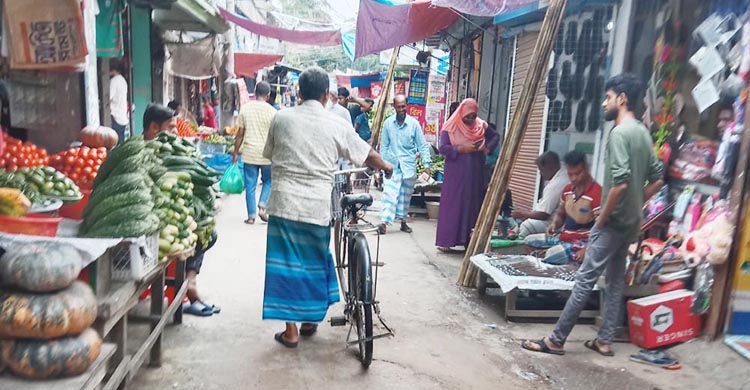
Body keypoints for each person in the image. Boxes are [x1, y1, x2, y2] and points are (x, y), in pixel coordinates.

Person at [521, 73, 664, 357]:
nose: (603, 104)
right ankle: (605, 340)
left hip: (612, 222)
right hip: (630, 222)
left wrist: (602, 218)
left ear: (622, 99)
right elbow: (658, 179)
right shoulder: (643, 133)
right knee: (614, 282)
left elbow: (620, 183)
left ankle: (556, 340)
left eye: (608, 98)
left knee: (585, 280)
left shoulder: (620, 133)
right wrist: (637, 203)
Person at [261, 67, 393, 348]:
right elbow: (366, 153)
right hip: (316, 207)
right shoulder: (337, 124)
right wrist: (387, 166)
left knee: (285, 265)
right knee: (313, 263)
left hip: (284, 204)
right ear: (326, 95)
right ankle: (309, 320)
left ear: (298, 93)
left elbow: (269, 154)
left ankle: (291, 330)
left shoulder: (281, 118)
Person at [143, 104, 220, 316]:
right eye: (171, 128)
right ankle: (188, 285)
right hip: (150, 221)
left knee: (207, 233)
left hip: (168, 215)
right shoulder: (142, 154)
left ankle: (189, 281)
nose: (177, 133)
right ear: (154, 128)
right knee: (197, 235)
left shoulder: (170, 150)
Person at [435, 98, 499, 251]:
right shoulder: (451, 127)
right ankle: (447, 241)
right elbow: (443, 148)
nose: (470, 119)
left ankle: (468, 242)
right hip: (455, 173)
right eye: (467, 116)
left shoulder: (480, 125)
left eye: (473, 116)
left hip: (475, 172)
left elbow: (495, 136)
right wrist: (460, 149)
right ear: (461, 113)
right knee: (453, 205)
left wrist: (487, 148)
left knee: (472, 205)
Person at [524, 150, 602, 265]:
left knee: (551, 254)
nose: (574, 178)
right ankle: (545, 264)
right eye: (571, 174)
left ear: (586, 169)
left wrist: (587, 249)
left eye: (578, 173)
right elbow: (561, 214)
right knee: (529, 241)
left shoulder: (597, 192)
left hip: (582, 243)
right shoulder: (567, 190)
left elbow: (601, 228)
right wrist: (554, 224)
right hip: (563, 238)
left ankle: (549, 264)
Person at [378, 95, 432, 235]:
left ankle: (403, 222)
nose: (401, 109)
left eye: (404, 106)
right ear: (394, 107)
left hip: (408, 167)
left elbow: (422, 145)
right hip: (392, 167)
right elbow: (383, 146)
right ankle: (384, 223)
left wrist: (426, 165)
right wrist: (382, 165)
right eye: (399, 106)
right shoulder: (388, 124)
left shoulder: (414, 124)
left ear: (406, 106)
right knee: (389, 194)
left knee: (405, 198)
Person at [233, 81, 277, 224]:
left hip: (250, 153)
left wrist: (235, 152)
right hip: (267, 155)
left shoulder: (246, 109)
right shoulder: (273, 112)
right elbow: (276, 136)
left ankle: (251, 216)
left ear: (255, 92)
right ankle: (262, 205)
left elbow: (239, 133)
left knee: (250, 186)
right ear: (268, 95)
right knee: (269, 181)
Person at [513, 151, 569, 238]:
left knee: (526, 226)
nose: (540, 173)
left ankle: (520, 247)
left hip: (557, 224)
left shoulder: (555, 185)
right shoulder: (565, 175)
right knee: (523, 223)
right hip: (562, 220)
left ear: (550, 167)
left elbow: (543, 214)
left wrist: (523, 214)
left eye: (541, 170)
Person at [109, 59, 130, 143]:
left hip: (115, 116)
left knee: (114, 143)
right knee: (120, 143)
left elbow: (108, 97)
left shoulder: (114, 81)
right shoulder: (123, 80)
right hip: (122, 116)